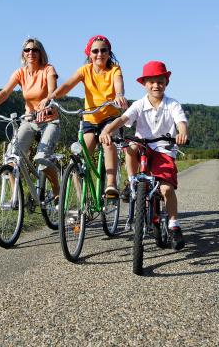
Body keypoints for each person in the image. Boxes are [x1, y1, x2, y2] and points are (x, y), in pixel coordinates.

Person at [99, 60, 189, 249]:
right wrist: (108, 130)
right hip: (143, 148)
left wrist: (182, 133)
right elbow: (123, 119)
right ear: (144, 84)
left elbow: (181, 122)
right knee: (130, 146)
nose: (156, 85)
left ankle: (173, 225)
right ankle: (131, 182)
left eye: (160, 81)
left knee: (165, 189)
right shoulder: (139, 104)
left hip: (163, 149)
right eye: (151, 82)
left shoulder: (172, 104)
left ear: (166, 82)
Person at [39, 35, 128, 197]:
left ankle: (111, 183)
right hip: (90, 119)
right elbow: (66, 86)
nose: (99, 54)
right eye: (95, 51)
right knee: (79, 159)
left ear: (109, 52)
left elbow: (118, 84)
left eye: (103, 50)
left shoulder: (114, 69)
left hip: (110, 118)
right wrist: (50, 97)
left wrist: (119, 95)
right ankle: (82, 204)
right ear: (89, 54)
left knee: (108, 142)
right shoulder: (85, 70)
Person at [0, 37, 60, 195]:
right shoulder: (20, 73)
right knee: (11, 155)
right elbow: (4, 92)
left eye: (35, 49)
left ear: (40, 52)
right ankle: (17, 195)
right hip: (29, 120)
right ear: (23, 54)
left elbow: (52, 92)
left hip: (49, 120)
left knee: (41, 158)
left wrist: (46, 100)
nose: (31, 53)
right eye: (27, 50)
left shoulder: (48, 69)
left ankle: (57, 189)